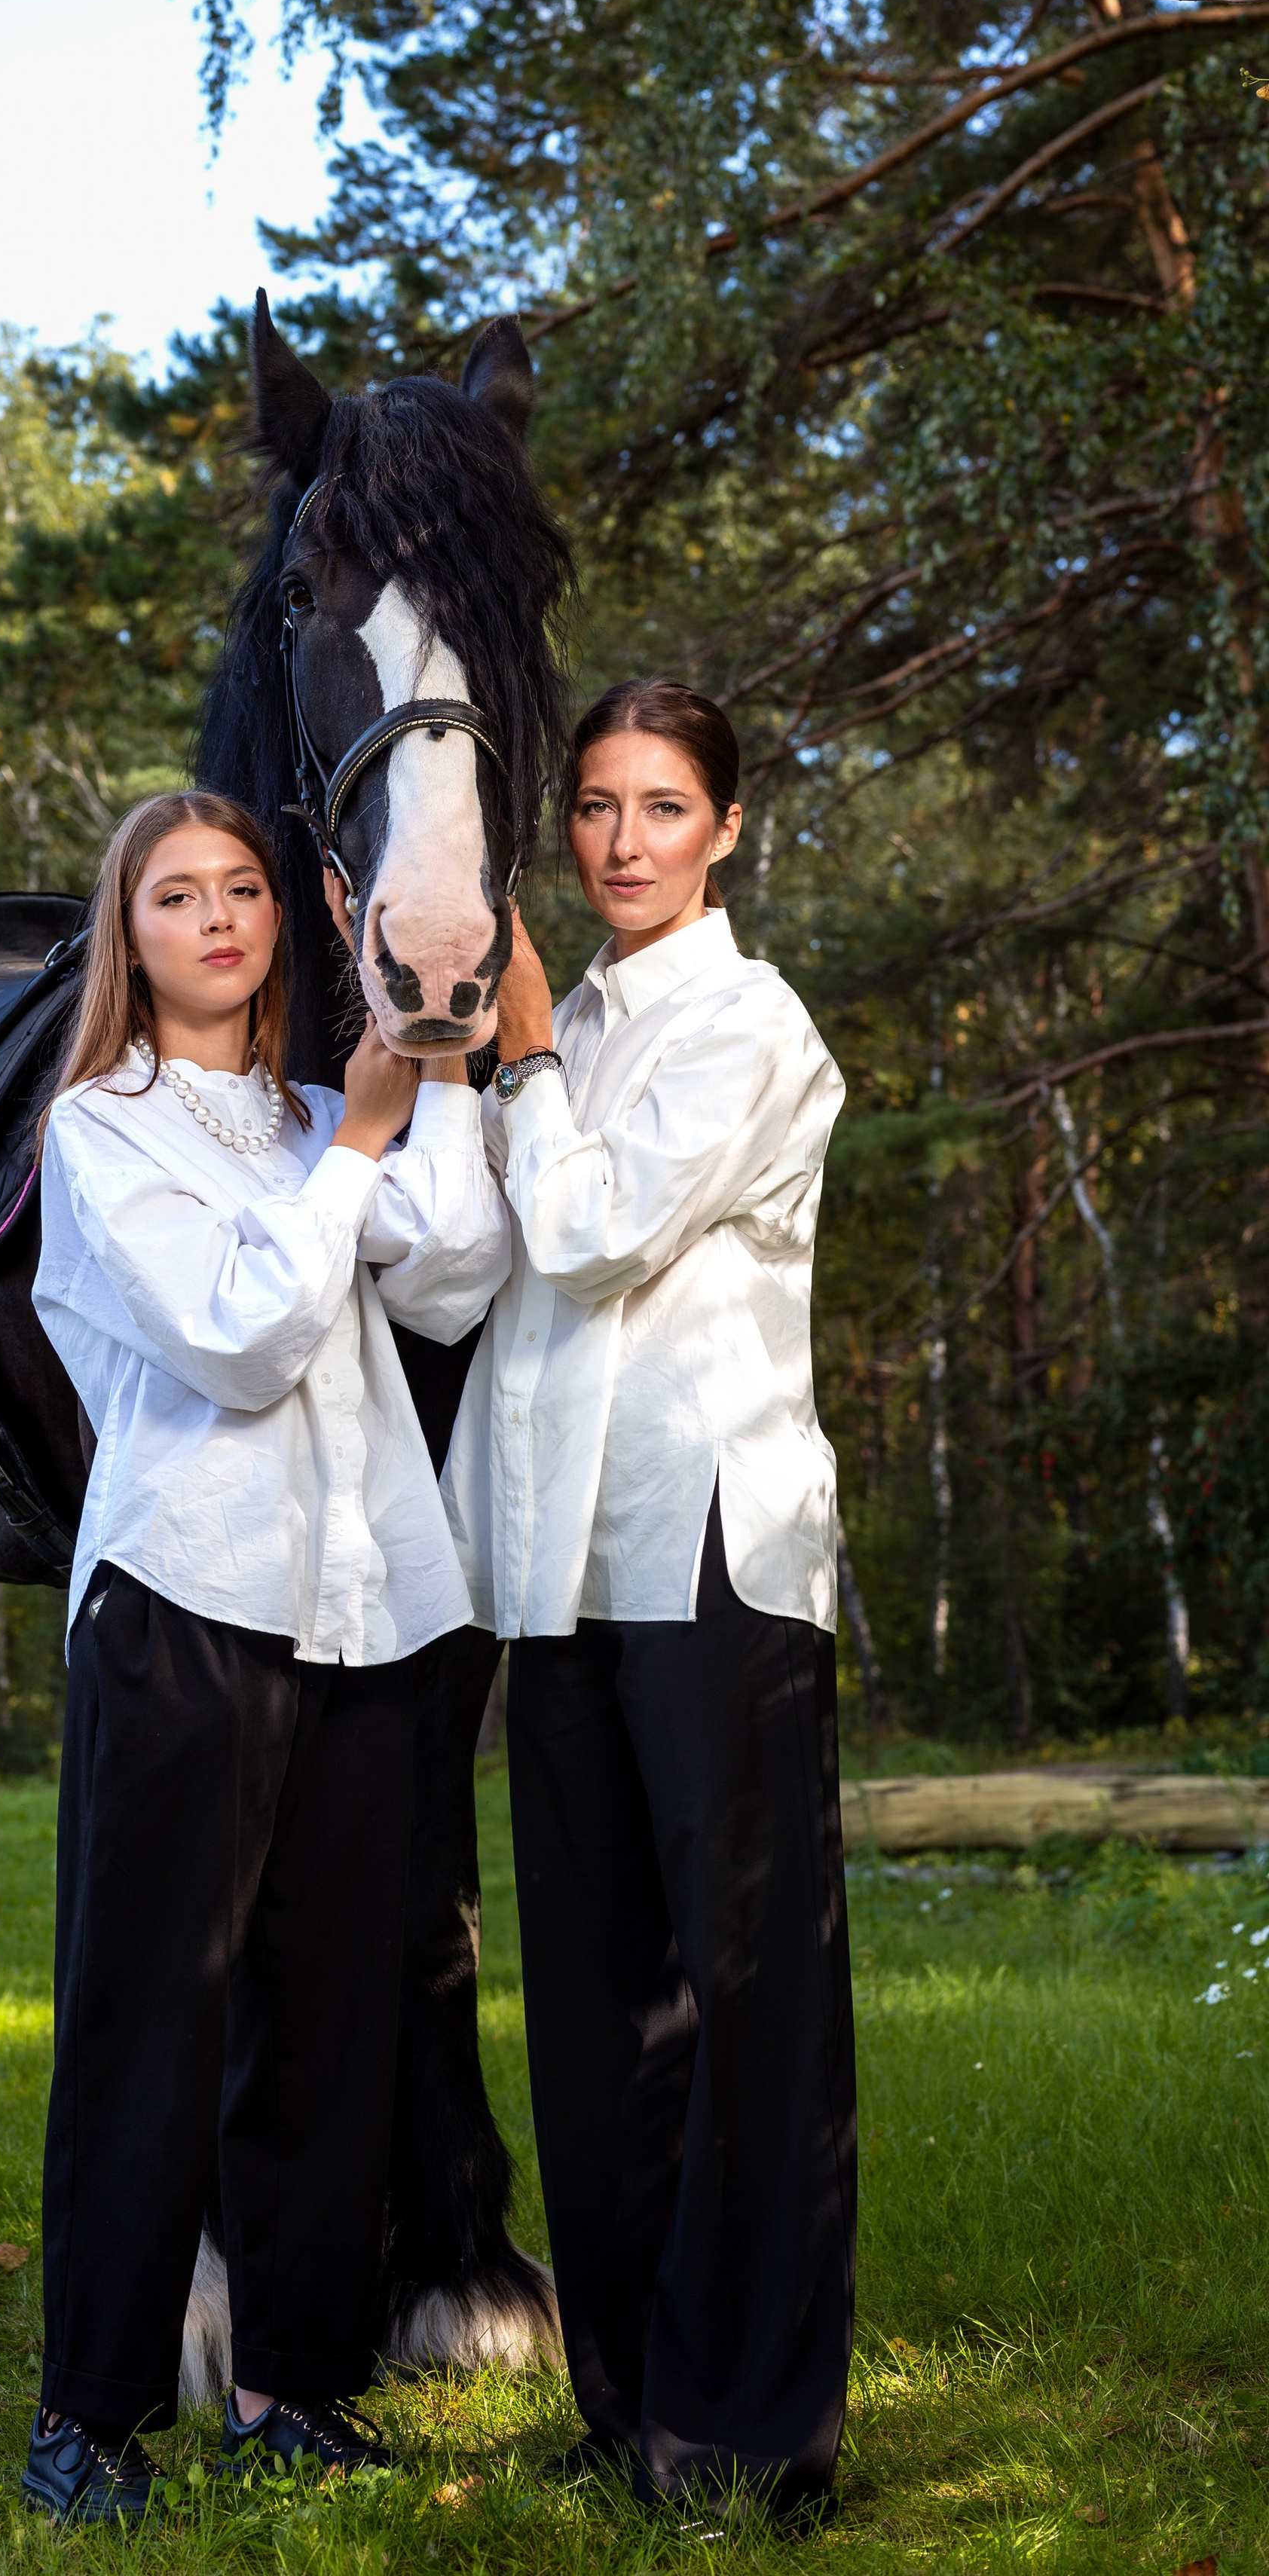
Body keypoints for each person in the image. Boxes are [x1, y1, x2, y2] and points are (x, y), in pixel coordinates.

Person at [24, 787, 509, 2525]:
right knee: (149, 2022)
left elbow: (452, 1278)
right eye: (176, 894)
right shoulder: (98, 1129)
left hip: (364, 1610)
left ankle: (289, 2387)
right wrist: (360, 1149)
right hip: (184, 1607)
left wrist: (427, 1076)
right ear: (127, 931)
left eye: (240, 887)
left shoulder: (317, 1109)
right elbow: (240, 1343)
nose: (218, 917)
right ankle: (85, 2420)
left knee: (329, 2015)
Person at [442, 679, 854, 2523]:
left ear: (725, 828)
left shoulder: (744, 1023)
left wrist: (521, 1062)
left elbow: (592, 1231)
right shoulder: (568, 1020)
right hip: (558, 1563)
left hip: (708, 1551)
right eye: (597, 805)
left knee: (748, 2002)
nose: (621, 839)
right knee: (601, 2003)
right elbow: (483, 1271)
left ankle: (751, 2430)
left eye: (662, 805)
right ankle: (624, 2404)